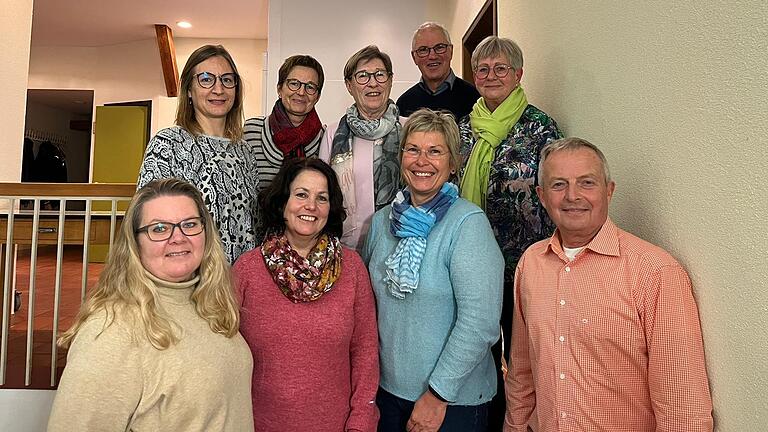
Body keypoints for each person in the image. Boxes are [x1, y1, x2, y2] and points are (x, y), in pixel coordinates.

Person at [505, 137, 714, 431]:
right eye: (558, 184)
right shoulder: (531, 264)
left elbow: (682, 406)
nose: (572, 196)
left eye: (587, 183)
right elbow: (522, 371)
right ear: (541, 195)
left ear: (609, 190)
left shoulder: (655, 272)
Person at [47, 178, 253, 431]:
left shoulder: (210, 304)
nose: (178, 238)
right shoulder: (112, 332)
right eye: (159, 229)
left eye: (189, 224)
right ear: (135, 244)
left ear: (205, 233)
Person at [364, 109, 504, 432]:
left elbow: (480, 324)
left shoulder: (468, 225)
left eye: (435, 151)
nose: (421, 160)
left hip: (452, 403)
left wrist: (438, 395)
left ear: (453, 163)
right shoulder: (382, 222)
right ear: (401, 158)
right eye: (413, 149)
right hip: (388, 393)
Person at [458, 36, 563, 429]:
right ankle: (486, 417)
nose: (491, 76)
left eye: (501, 68)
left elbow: (554, 192)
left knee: (523, 353)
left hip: (522, 263)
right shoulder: (464, 128)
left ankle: (521, 422)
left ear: (518, 75)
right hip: (470, 261)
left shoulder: (539, 128)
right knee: (479, 348)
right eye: (483, 69)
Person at [233, 157, 379, 432]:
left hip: (337, 425)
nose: (311, 206)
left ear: (330, 208)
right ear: (282, 203)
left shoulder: (352, 268)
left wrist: (361, 421)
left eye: (321, 198)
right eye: (301, 195)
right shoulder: (247, 269)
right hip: (257, 424)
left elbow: (366, 353)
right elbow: (225, 354)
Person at [138, 44, 258, 263]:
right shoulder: (168, 144)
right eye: (206, 79)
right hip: (190, 278)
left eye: (227, 80)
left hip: (239, 282)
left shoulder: (245, 151)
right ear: (189, 90)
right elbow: (149, 221)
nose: (219, 89)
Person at [320, 45, 405, 251]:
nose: (373, 83)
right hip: (346, 247)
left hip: (400, 245)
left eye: (380, 75)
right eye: (363, 76)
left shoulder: (409, 128)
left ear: (391, 80)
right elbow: (323, 191)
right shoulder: (333, 134)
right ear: (349, 85)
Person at [244, 54, 325, 190]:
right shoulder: (251, 130)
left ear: (317, 96)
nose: (301, 92)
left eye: (310, 87)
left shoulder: (325, 138)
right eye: (294, 83)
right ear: (279, 89)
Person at [396, 22, 480, 120]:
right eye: (423, 50)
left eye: (439, 47)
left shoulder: (475, 98)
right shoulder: (404, 103)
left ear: (451, 51)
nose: (432, 56)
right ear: (414, 57)